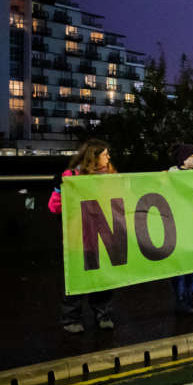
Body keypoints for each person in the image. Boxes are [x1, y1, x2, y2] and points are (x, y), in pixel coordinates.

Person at [49, 139, 119, 333]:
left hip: (104, 238)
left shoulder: (111, 177)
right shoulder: (71, 177)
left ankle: (103, 315)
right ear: (94, 157)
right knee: (76, 282)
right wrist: (58, 190)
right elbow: (54, 207)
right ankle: (71, 319)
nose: (108, 157)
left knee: (104, 280)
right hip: (79, 240)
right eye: (105, 154)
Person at [168, 144, 193, 314]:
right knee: (179, 266)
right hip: (177, 224)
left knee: (192, 264)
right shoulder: (172, 173)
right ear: (184, 157)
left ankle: (192, 295)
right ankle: (181, 298)